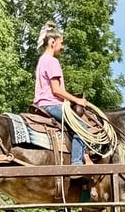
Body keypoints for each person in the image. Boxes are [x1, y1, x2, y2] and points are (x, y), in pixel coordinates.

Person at [33, 21, 88, 172]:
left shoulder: (42, 60)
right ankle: (76, 164)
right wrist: (77, 100)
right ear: (52, 42)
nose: (62, 47)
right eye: (61, 43)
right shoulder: (52, 61)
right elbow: (56, 90)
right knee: (82, 126)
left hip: (40, 104)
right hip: (51, 105)